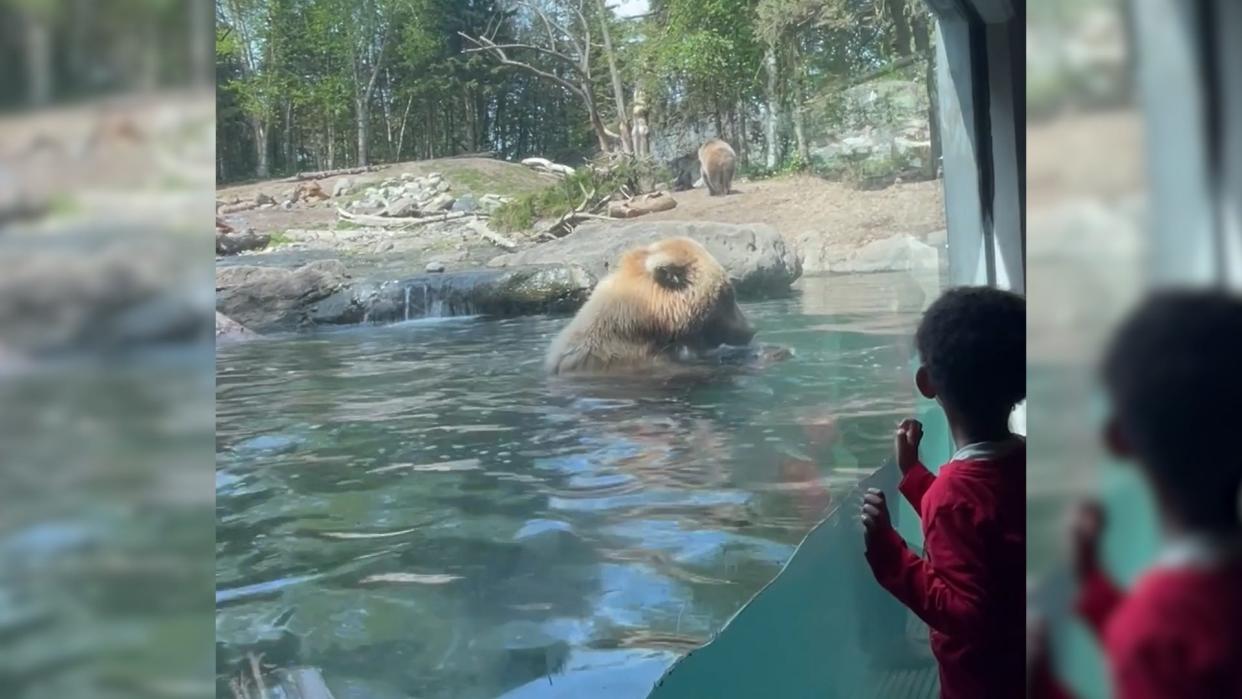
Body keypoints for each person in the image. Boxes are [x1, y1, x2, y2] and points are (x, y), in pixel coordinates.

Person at [1032, 290, 1242, 698]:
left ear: (1116, 438)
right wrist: (1092, 580)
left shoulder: (1155, 629)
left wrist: (1041, 686)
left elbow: (1163, 648)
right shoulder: (1173, 617)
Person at [859, 286, 1026, 698]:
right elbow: (978, 526)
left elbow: (964, 610)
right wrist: (914, 475)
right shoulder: (1022, 463)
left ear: (926, 381)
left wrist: (889, 554)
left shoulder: (952, 494)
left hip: (979, 683)